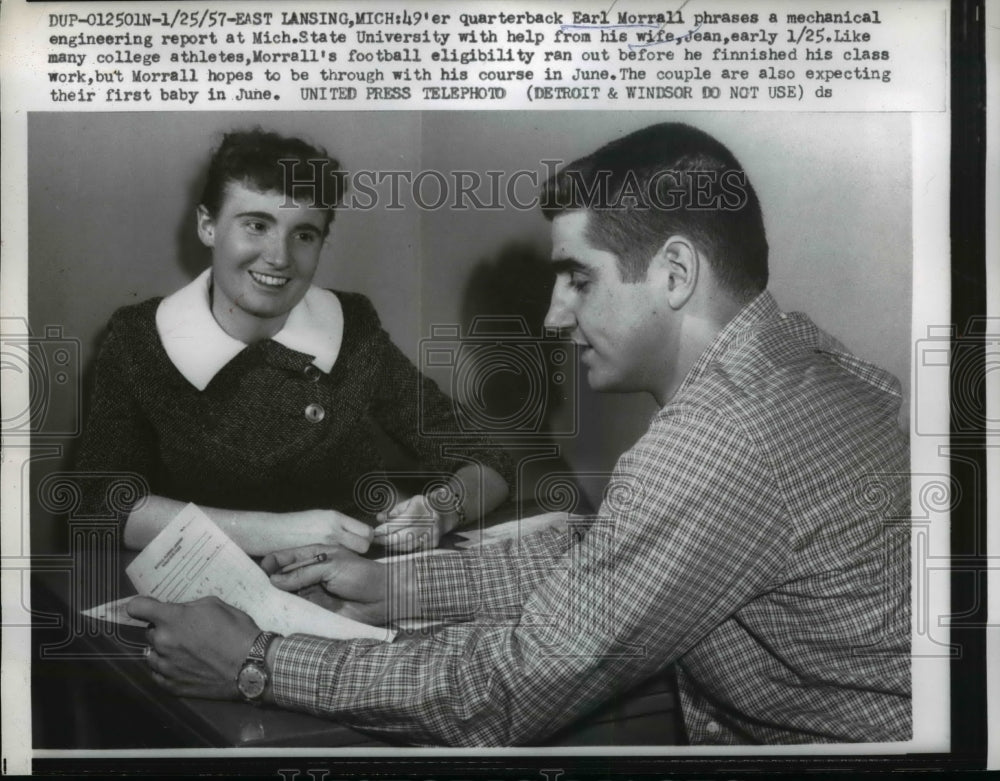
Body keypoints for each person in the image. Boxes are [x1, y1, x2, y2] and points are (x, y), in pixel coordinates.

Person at [128, 122, 911, 745]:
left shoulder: (716, 443)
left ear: (674, 273)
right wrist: (400, 584)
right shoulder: (801, 358)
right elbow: (606, 551)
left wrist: (256, 662)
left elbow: (505, 690)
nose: (552, 315)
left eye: (578, 276)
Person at [75, 129, 512, 555]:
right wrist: (279, 532)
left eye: (303, 234)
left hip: (351, 578)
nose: (280, 257)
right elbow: (101, 504)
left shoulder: (353, 326)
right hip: (206, 588)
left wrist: (440, 511)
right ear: (208, 226)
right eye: (256, 225)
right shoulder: (142, 339)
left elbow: (484, 457)